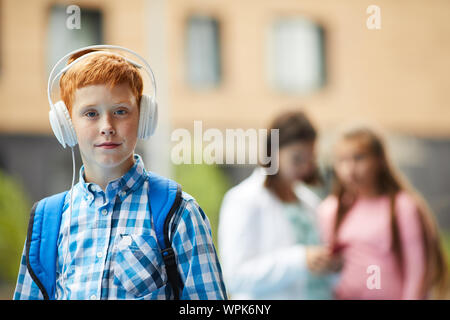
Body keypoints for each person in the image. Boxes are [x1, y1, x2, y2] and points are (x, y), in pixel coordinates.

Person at [14, 46, 227, 300]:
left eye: (120, 111)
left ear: (144, 116)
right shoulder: (48, 221)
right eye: (90, 113)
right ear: (67, 124)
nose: (107, 126)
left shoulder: (179, 212)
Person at [218, 110, 340, 299]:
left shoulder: (310, 202)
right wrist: (299, 260)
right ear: (273, 151)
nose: (306, 167)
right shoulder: (243, 199)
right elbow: (234, 277)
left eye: (311, 158)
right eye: (297, 158)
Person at [318, 125, 448, 299]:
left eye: (359, 158)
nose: (350, 169)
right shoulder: (331, 209)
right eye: (342, 160)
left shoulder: (402, 206)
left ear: (379, 160)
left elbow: (418, 269)